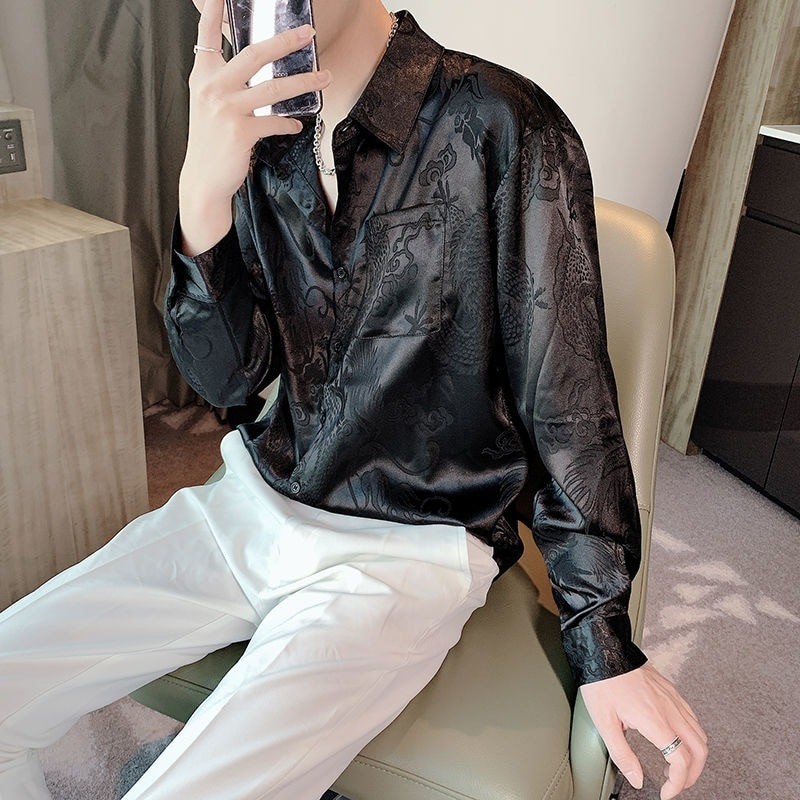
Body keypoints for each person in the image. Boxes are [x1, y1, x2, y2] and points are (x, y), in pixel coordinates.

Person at [0, 1, 707, 798]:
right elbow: (230, 380)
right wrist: (201, 197)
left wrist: (604, 640)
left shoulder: (504, 124)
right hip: (251, 504)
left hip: (411, 548)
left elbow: (566, 399)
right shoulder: (255, 137)